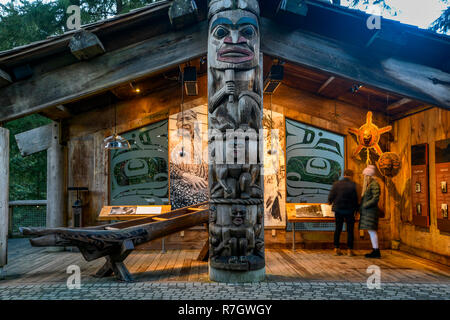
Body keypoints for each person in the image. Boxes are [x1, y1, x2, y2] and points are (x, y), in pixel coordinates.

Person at [328, 169, 359, 256]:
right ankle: (349, 250)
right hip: (349, 210)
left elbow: (331, 196)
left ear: (344, 174)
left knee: (338, 229)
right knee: (350, 230)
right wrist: (357, 210)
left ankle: (336, 248)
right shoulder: (353, 185)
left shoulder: (336, 184)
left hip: (338, 209)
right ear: (351, 175)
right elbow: (355, 199)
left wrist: (330, 202)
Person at [359, 165, 382, 258]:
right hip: (369, 212)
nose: (364, 177)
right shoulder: (371, 184)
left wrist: (365, 205)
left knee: (372, 231)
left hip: (370, 212)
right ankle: (375, 250)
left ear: (368, 176)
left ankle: (376, 251)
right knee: (371, 231)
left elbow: (375, 198)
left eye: (365, 175)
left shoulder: (374, 184)